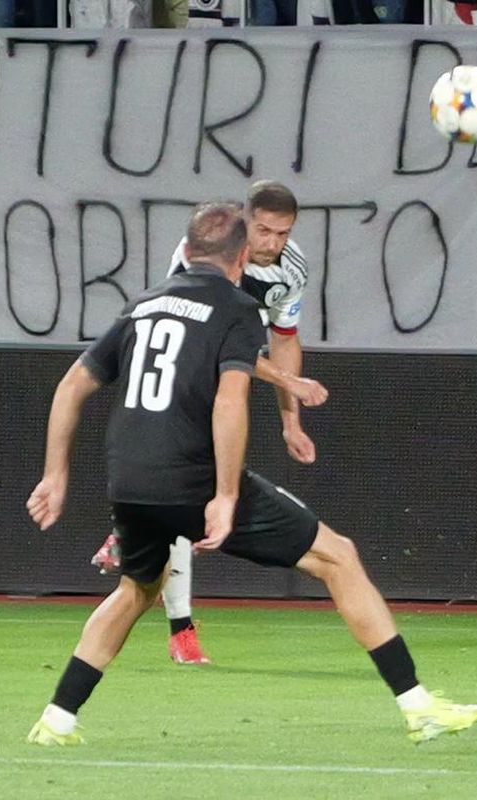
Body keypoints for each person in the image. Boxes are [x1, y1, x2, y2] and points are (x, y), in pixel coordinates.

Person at [26, 202, 477, 746]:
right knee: (339, 557)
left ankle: (56, 720)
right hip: (191, 479)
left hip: (127, 480)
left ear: (188, 250)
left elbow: (71, 386)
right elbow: (229, 401)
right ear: (241, 257)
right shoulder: (238, 309)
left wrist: (55, 476)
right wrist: (223, 495)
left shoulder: (142, 305)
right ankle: (418, 706)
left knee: (137, 590)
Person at [90, 180, 328, 666]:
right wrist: (287, 380)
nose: (272, 243)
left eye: (283, 233)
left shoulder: (292, 269)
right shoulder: (200, 257)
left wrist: (291, 421)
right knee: (184, 490)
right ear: (245, 223)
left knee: (193, 503)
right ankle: (173, 610)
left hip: (231, 374)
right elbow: (215, 336)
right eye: (263, 230)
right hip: (183, 375)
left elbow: (283, 338)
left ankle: (173, 614)